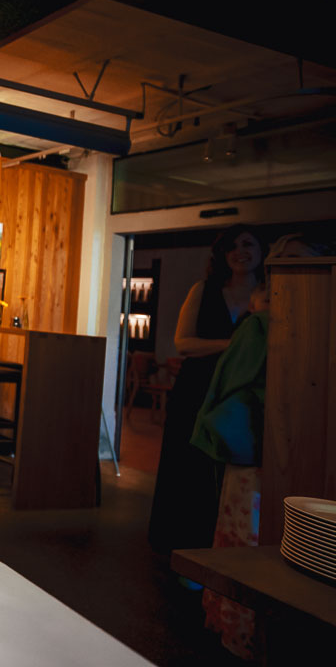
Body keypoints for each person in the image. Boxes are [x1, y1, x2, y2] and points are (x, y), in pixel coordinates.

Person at [189, 233, 318, 660]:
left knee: (245, 536)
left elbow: (225, 386)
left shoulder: (261, 325)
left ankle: (239, 627)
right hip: (296, 448)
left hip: (251, 448)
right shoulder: (314, 321)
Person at [147, 224, 263, 555]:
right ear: (223, 256)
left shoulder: (269, 294)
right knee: (187, 463)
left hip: (239, 392)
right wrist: (232, 344)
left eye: (248, 243)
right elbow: (183, 342)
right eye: (232, 246)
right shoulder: (204, 289)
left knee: (230, 465)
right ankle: (178, 540)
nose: (240, 251)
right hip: (197, 388)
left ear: (261, 251)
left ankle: (223, 540)